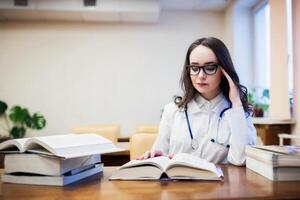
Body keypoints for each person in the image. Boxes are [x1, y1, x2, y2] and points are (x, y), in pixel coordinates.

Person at [139, 37, 257, 166]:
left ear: (224, 71)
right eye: (194, 68)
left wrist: (236, 103)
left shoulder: (238, 113)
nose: (201, 76)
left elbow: (240, 160)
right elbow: (160, 153)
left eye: (210, 67)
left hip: (220, 184)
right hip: (178, 184)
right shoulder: (172, 110)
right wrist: (155, 156)